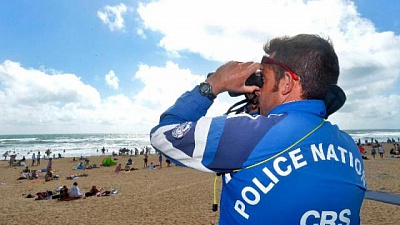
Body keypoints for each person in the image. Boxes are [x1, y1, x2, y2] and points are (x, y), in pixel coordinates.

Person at [150, 34, 366, 224]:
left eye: (263, 78)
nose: (258, 90)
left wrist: (214, 83)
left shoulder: (249, 135)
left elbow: (163, 134)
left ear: (287, 83)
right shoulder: (348, 146)